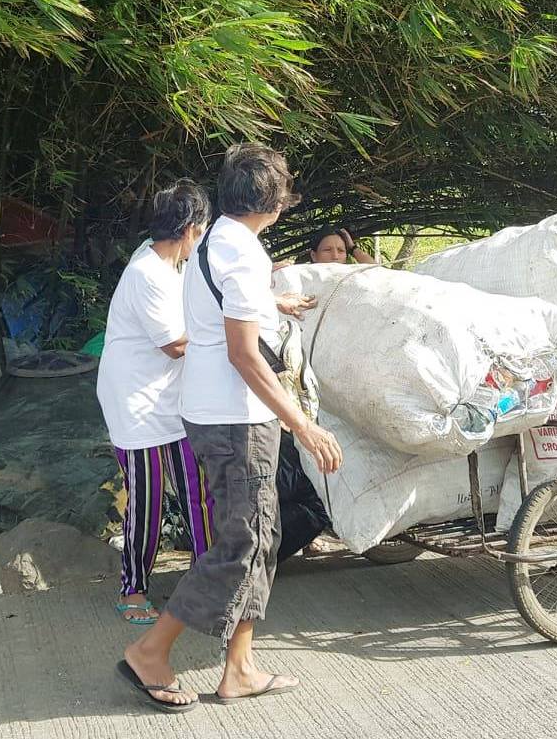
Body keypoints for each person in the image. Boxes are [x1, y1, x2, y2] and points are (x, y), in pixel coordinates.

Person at [119, 143, 342, 713]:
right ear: (274, 200)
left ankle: (238, 667)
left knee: (258, 538)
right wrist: (306, 426)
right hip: (236, 420)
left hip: (213, 412)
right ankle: (151, 648)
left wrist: (275, 303)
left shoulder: (217, 239)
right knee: (242, 541)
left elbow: (227, 314)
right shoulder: (242, 254)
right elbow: (245, 355)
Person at [96, 179, 216, 625]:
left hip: (169, 399)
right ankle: (133, 591)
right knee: (144, 499)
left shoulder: (172, 264)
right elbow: (175, 344)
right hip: (136, 404)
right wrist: (231, 338)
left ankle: (207, 577)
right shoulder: (147, 272)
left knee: (196, 490)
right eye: (201, 229)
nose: (201, 238)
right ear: (187, 229)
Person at [307, 226, 375, 264]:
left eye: (341, 250)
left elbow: (377, 272)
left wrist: (352, 248)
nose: (335, 256)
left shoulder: (351, 280)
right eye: (327, 250)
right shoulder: (302, 281)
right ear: (314, 255)